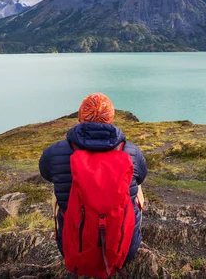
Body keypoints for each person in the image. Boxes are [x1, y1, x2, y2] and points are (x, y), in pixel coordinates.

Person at [39, 93, 148, 276]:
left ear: (80, 117)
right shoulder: (131, 152)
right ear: (111, 117)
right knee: (136, 186)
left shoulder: (54, 152)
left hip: (74, 250)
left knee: (57, 192)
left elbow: (46, 174)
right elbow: (142, 176)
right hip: (125, 251)